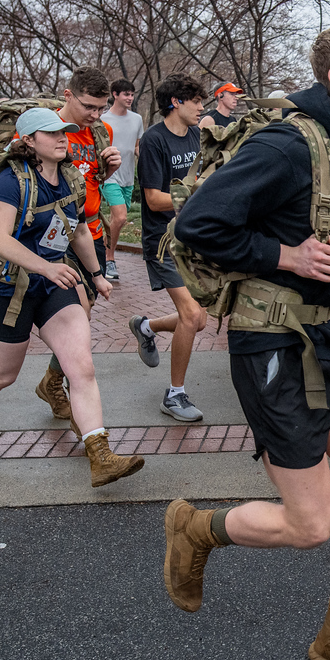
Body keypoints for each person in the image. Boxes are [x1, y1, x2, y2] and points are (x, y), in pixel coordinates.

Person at [163, 17, 330, 660]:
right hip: (269, 338)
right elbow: (200, 224)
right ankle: (196, 528)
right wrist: (285, 253)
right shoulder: (288, 143)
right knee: (311, 522)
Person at [0, 108, 143, 488]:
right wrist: (46, 267)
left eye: (65, 133)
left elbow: (80, 231)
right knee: (3, 373)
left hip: (54, 285)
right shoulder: (10, 182)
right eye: (51, 133)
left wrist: (98, 275)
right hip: (4, 288)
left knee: (81, 367)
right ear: (28, 141)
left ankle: (100, 455)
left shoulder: (70, 178)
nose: (62, 138)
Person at [34, 69, 121, 425]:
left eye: (102, 108)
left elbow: (91, 180)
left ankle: (52, 381)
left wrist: (107, 169)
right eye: (88, 106)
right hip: (56, 236)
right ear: (67, 95)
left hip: (91, 232)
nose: (95, 115)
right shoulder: (42, 128)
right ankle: (74, 393)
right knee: (77, 312)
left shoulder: (102, 131)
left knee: (82, 317)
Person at [126, 74, 209, 422]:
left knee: (201, 319)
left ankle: (146, 327)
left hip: (193, 238)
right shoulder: (154, 141)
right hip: (162, 242)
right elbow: (154, 199)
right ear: (175, 102)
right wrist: (199, 191)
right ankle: (174, 395)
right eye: (196, 100)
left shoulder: (196, 137)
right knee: (191, 315)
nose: (203, 107)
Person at [100, 78, 144, 280]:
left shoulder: (137, 119)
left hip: (128, 177)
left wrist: (147, 161)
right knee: (120, 217)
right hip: (109, 176)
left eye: (132, 94)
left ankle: (100, 245)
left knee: (117, 220)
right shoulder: (103, 120)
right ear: (115, 95)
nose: (130, 98)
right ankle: (109, 260)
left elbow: (136, 146)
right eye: (126, 94)